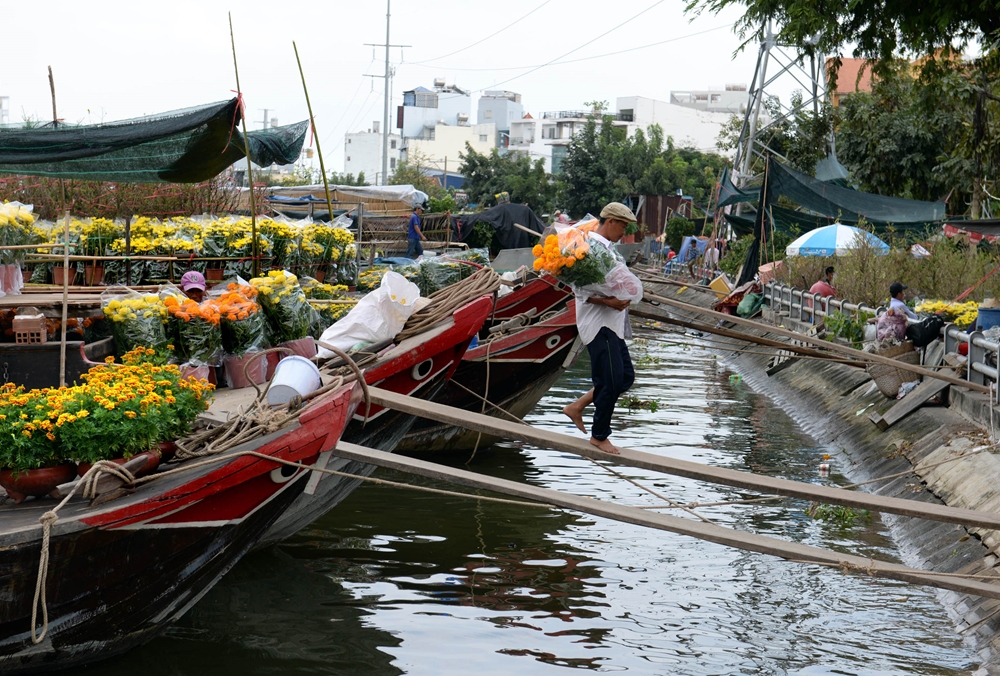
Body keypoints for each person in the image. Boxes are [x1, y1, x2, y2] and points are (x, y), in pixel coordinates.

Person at [562, 202, 640, 455]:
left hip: (613, 324)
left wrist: (621, 296)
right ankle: (599, 435)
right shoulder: (587, 248)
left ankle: (578, 405)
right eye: (623, 226)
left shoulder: (607, 250)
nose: (624, 232)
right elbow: (578, 289)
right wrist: (609, 300)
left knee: (625, 377)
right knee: (610, 380)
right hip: (598, 324)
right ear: (611, 222)